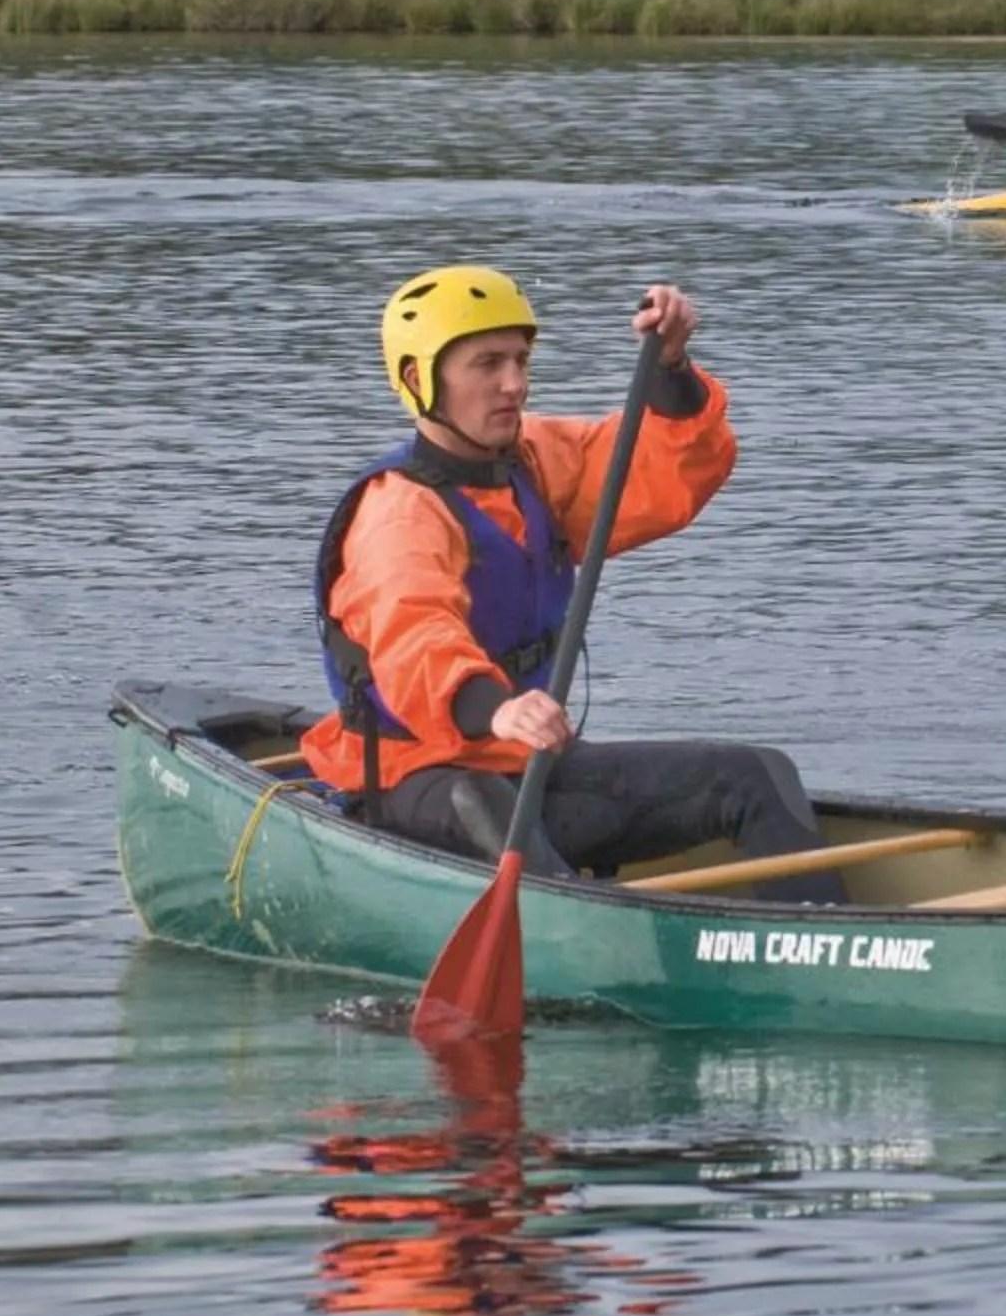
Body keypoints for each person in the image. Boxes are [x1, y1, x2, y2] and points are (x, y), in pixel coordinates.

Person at [300, 265, 843, 900]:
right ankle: (594, 943)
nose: (514, 384)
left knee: (755, 774)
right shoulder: (398, 512)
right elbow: (414, 636)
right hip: (412, 779)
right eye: (487, 364)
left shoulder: (533, 460)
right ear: (420, 379)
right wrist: (498, 708)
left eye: (521, 360)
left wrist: (670, 369)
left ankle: (827, 936)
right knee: (484, 803)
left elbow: (663, 473)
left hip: (527, 766)